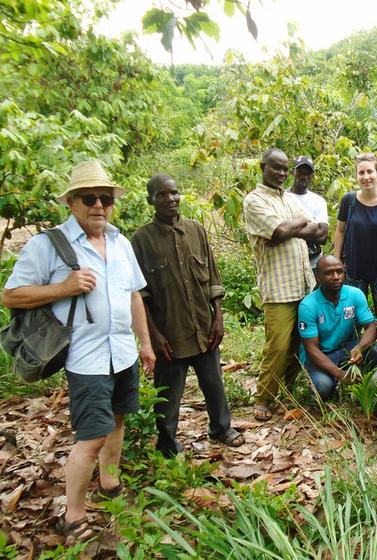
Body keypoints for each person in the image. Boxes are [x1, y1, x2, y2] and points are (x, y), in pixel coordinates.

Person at [2, 161, 156, 540]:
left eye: (106, 198)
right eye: (90, 198)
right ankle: (73, 515)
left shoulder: (120, 242)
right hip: (85, 359)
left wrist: (146, 342)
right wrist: (63, 288)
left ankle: (110, 484)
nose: (99, 205)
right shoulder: (48, 246)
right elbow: (11, 294)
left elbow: (134, 294)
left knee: (118, 421)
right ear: (71, 203)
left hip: (122, 352)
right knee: (91, 437)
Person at [132, 173, 243, 457]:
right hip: (170, 331)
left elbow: (213, 278)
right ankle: (167, 443)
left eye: (174, 193)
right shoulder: (142, 239)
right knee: (168, 392)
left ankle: (222, 429)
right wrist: (153, 335)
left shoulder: (196, 229)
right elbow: (139, 293)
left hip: (204, 327)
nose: (170, 199)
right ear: (151, 200)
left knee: (213, 382)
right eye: (162, 194)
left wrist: (218, 317)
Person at [243, 148, 319, 421]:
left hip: (303, 285)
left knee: (299, 344)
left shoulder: (287, 199)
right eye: (276, 167)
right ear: (262, 166)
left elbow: (318, 230)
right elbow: (278, 232)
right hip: (278, 287)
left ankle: (283, 392)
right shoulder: (254, 201)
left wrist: (292, 227)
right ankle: (263, 397)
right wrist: (296, 226)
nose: (282, 173)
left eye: (285, 169)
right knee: (277, 346)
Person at [298, 255, 377, 401]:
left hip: (346, 349)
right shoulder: (308, 305)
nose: (336, 277)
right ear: (318, 277)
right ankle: (335, 379)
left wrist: (359, 348)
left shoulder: (355, 294)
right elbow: (311, 349)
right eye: (329, 273)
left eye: (340, 272)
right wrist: (340, 374)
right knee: (323, 387)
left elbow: (371, 327)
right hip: (320, 355)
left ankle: (361, 382)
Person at [334, 153, 377, 311]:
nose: (366, 177)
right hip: (353, 270)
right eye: (361, 172)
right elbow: (340, 231)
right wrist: (337, 261)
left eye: (370, 171)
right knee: (352, 315)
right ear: (356, 175)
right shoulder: (348, 200)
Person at [285, 156, 329, 272]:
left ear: (312, 176)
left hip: (313, 264)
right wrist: (311, 228)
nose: (304, 176)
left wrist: (290, 230)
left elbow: (322, 237)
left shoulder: (318, 201)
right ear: (292, 172)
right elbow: (278, 231)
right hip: (288, 263)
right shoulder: (282, 198)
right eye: (300, 172)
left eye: (308, 173)